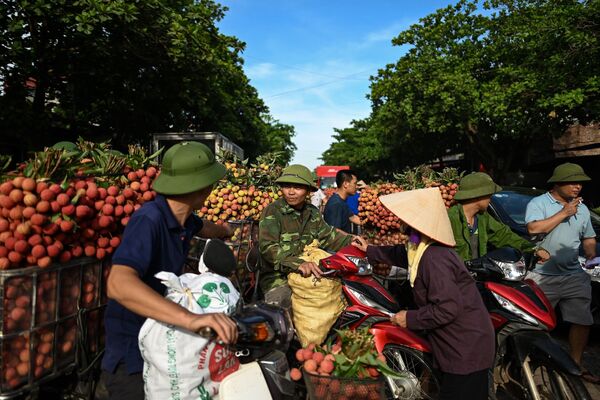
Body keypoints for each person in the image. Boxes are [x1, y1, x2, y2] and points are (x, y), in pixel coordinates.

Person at [101, 142, 238, 400]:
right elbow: (118, 284)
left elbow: (203, 227)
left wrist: (226, 231)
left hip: (160, 337)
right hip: (132, 354)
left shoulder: (182, 218)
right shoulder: (149, 219)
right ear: (203, 187)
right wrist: (192, 319)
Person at [352, 188, 494, 400]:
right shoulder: (421, 244)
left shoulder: (434, 260)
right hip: (458, 343)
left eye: (404, 218)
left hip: (465, 348)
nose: (398, 221)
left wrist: (408, 318)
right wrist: (371, 250)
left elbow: (446, 309)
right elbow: (403, 253)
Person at [525, 162, 598, 383]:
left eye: (580, 183)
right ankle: (530, 365)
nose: (578, 187)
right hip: (541, 276)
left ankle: (575, 365)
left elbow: (588, 237)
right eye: (573, 182)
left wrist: (592, 255)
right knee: (535, 324)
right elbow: (533, 229)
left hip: (574, 274)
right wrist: (565, 212)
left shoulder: (582, 208)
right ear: (557, 183)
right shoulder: (538, 203)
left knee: (583, 320)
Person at [258, 164, 353, 309]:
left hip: (309, 274)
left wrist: (353, 242)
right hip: (278, 277)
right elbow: (268, 248)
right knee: (282, 306)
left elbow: (328, 236)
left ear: (308, 191)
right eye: (286, 186)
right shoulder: (273, 211)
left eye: (297, 187)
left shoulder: (312, 213)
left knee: (338, 300)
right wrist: (298, 263)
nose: (290, 192)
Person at [448, 172, 549, 261]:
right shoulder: (450, 218)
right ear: (479, 195)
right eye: (489, 195)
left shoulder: (483, 217)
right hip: (453, 277)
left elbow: (504, 235)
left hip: (474, 276)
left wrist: (533, 249)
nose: (490, 199)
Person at [323, 169, 361, 234]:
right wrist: (353, 238)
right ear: (345, 184)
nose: (357, 187)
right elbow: (334, 231)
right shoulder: (336, 203)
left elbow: (353, 217)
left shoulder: (342, 201)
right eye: (355, 183)